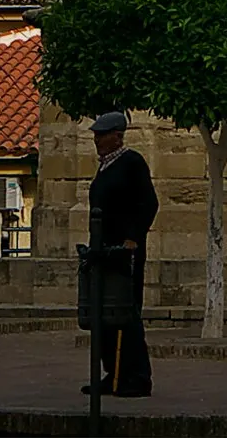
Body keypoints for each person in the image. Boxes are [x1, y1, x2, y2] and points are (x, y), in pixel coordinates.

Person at [84, 110, 159, 397]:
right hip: (102, 251)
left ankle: (137, 378)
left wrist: (133, 238)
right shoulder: (103, 167)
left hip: (124, 252)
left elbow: (149, 203)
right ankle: (112, 375)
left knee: (127, 313)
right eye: (95, 135)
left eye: (101, 135)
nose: (96, 140)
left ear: (117, 136)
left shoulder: (132, 162)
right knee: (104, 314)